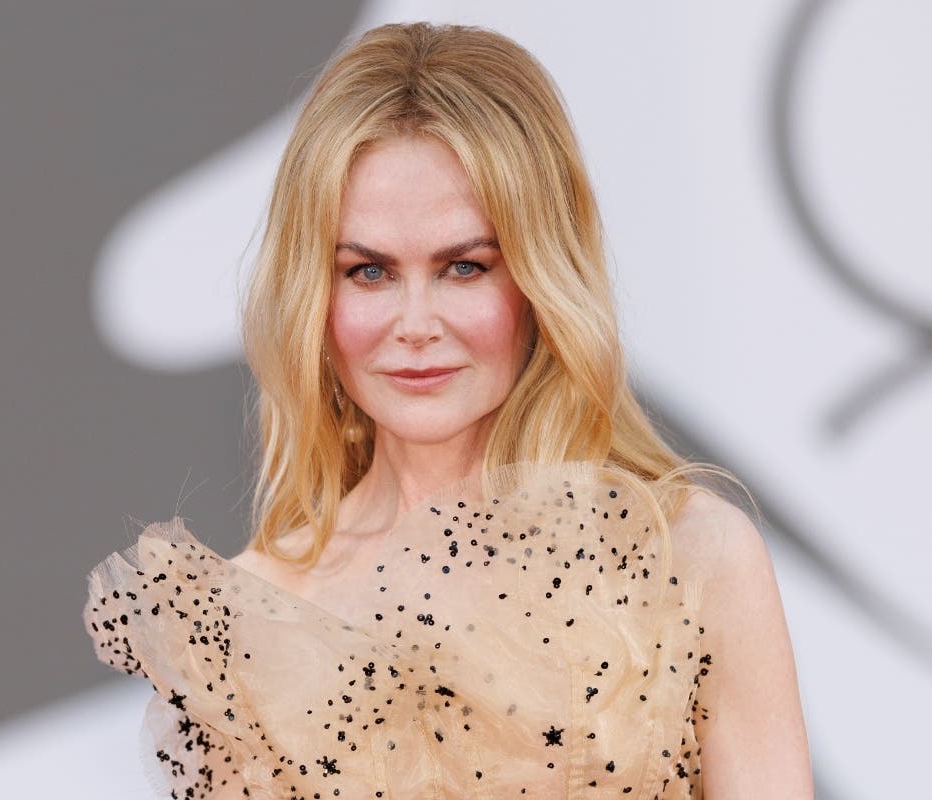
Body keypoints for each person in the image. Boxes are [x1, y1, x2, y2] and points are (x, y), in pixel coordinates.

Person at [84, 21, 813, 798]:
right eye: (368, 273)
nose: (416, 323)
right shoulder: (248, 622)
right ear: (313, 296)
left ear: (538, 277)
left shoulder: (685, 559)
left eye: (463, 267)